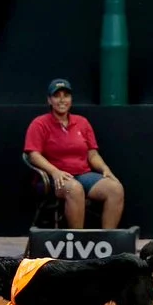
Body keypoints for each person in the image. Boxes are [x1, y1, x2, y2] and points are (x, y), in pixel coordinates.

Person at [23, 78, 125, 230]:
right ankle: (78, 242)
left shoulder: (82, 122)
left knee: (115, 189)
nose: (62, 100)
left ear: (71, 99)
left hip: (83, 175)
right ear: (49, 100)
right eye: (57, 96)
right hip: (55, 178)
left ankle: (107, 242)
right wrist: (54, 172)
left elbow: (92, 154)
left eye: (66, 95)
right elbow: (33, 155)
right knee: (74, 189)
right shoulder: (39, 124)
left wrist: (105, 169)